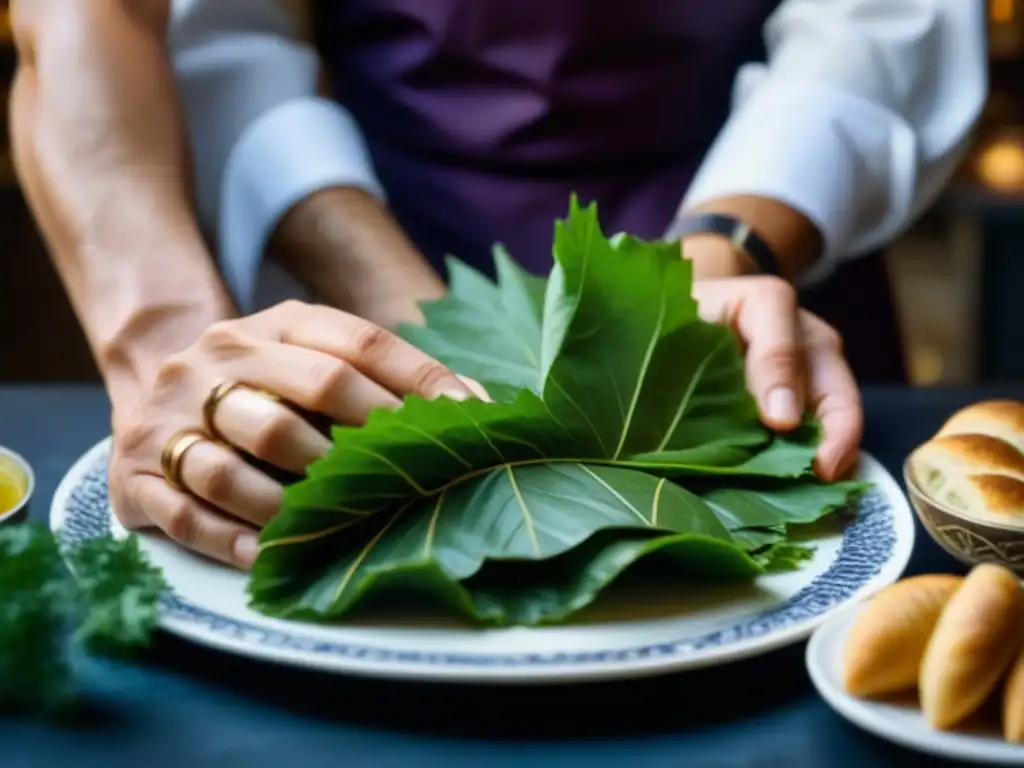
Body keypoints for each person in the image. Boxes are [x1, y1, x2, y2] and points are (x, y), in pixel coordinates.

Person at [10, 1, 984, 569]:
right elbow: (117, 16)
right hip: (354, 224)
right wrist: (167, 343)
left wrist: (722, 250)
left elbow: (878, 20)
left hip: (751, 258)